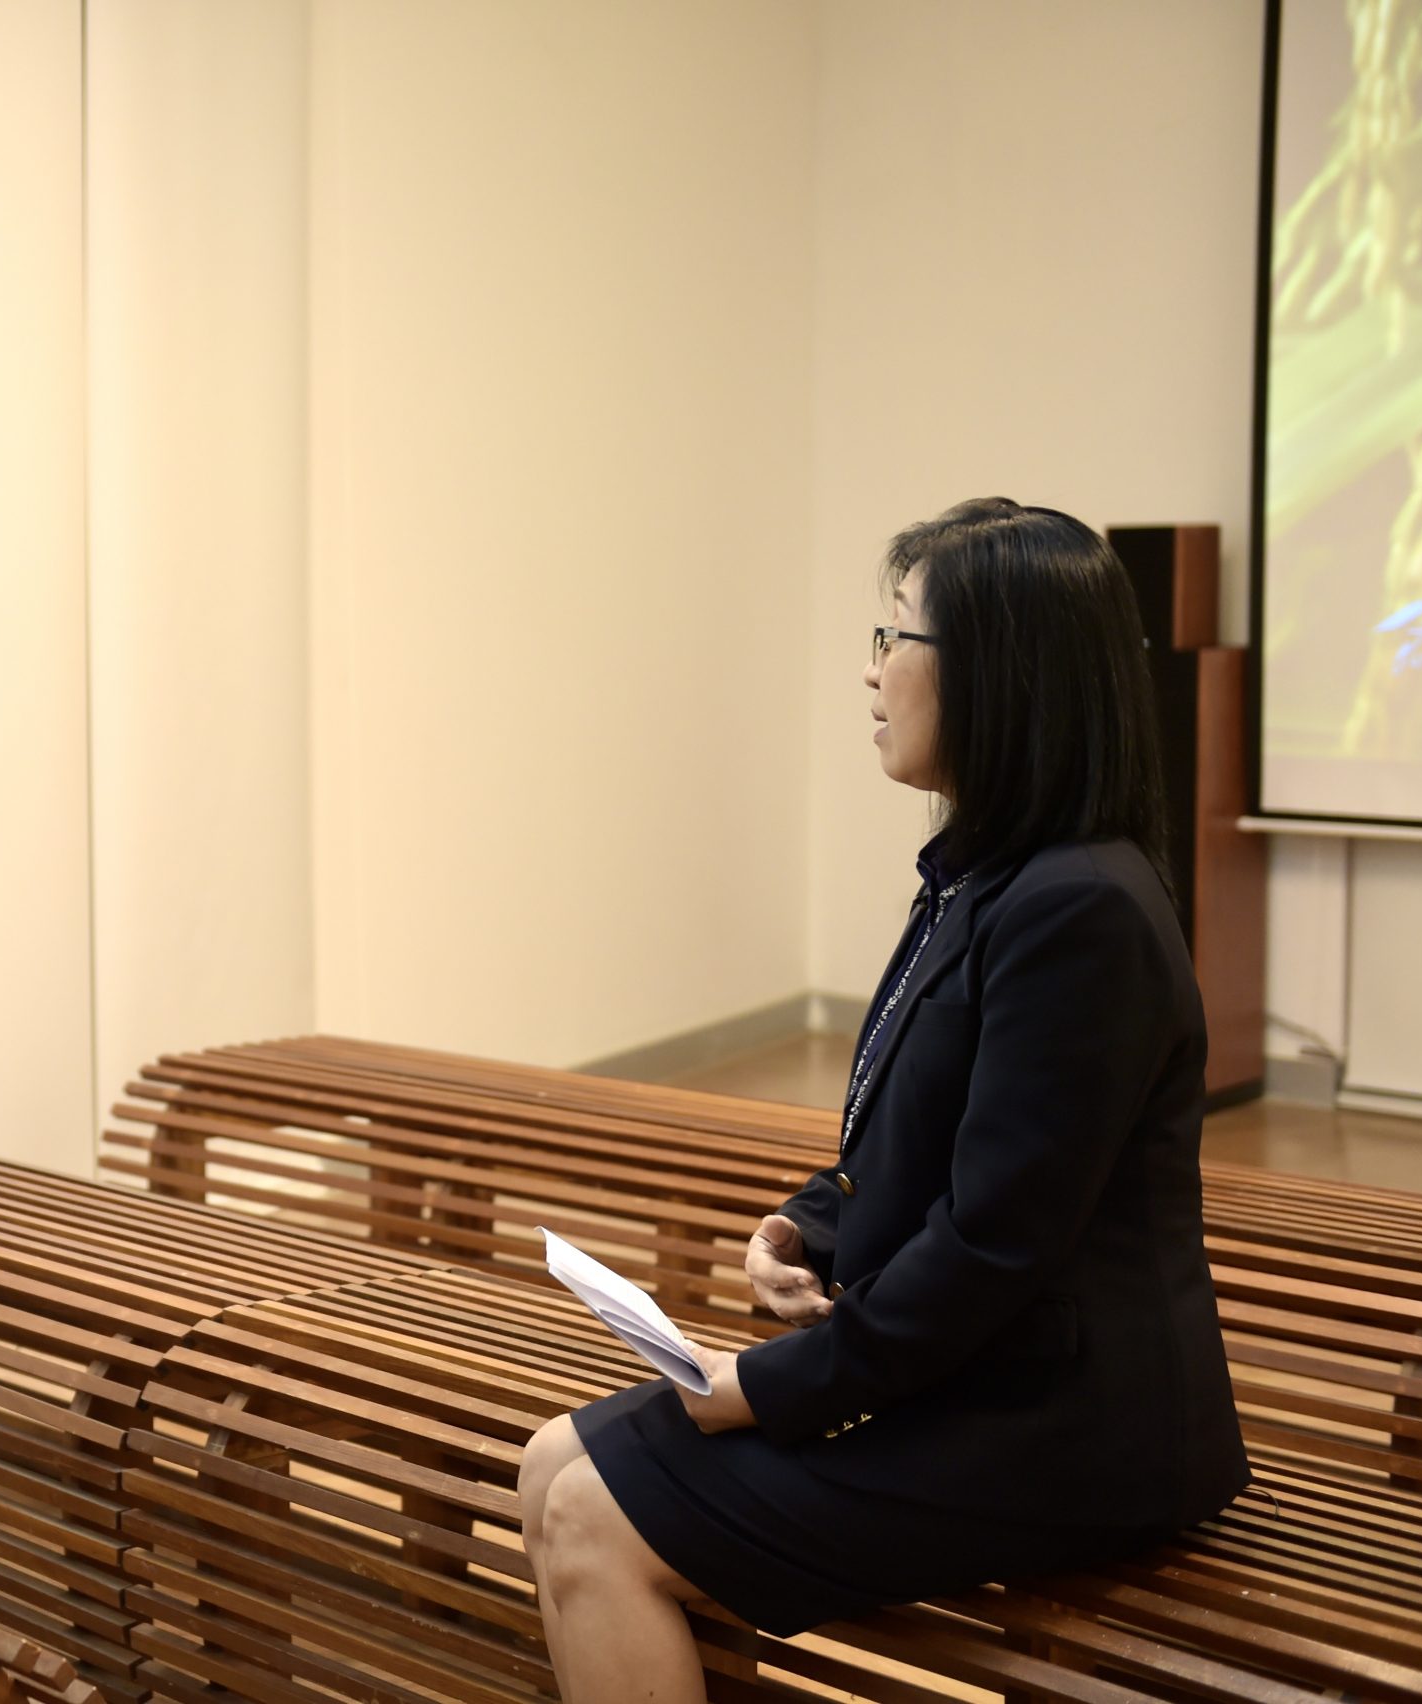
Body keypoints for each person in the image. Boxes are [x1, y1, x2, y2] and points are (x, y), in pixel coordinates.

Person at [516, 498, 1249, 1703]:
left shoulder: (1081, 910)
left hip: (1067, 1433)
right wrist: (806, 1225)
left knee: (591, 1516)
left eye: (895, 635)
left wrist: (763, 1389)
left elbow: (991, 1243)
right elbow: (922, 1124)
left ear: (998, 674)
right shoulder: (984, 875)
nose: (870, 670)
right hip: (981, 1380)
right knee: (551, 1463)